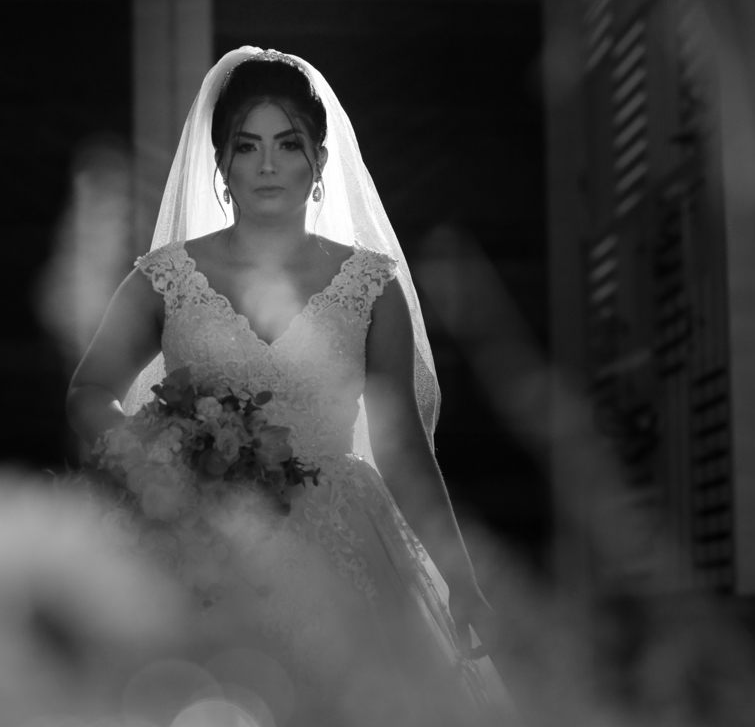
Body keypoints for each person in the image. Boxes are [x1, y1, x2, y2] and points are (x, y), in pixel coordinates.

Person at [67, 47, 513, 724]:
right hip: (202, 535)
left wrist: (461, 578)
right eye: (247, 147)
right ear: (221, 164)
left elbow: (405, 449)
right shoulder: (163, 277)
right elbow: (88, 392)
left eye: (288, 144)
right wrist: (158, 458)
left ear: (320, 160)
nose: (268, 165)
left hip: (342, 541)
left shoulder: (373, 285)